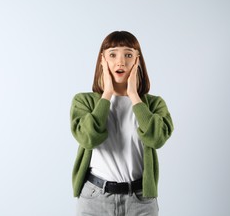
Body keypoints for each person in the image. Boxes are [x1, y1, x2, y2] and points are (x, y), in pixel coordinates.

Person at [70, 31, 174, 216]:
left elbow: (157, 139)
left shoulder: (154, 104)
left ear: (137, 61)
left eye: (128, 54)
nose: (121, 62)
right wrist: (107, 94)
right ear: (102, 60)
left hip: (141, 201)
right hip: (95, 199)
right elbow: (89, 138)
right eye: (112, 54)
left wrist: (134, 96)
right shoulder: (84, 101)